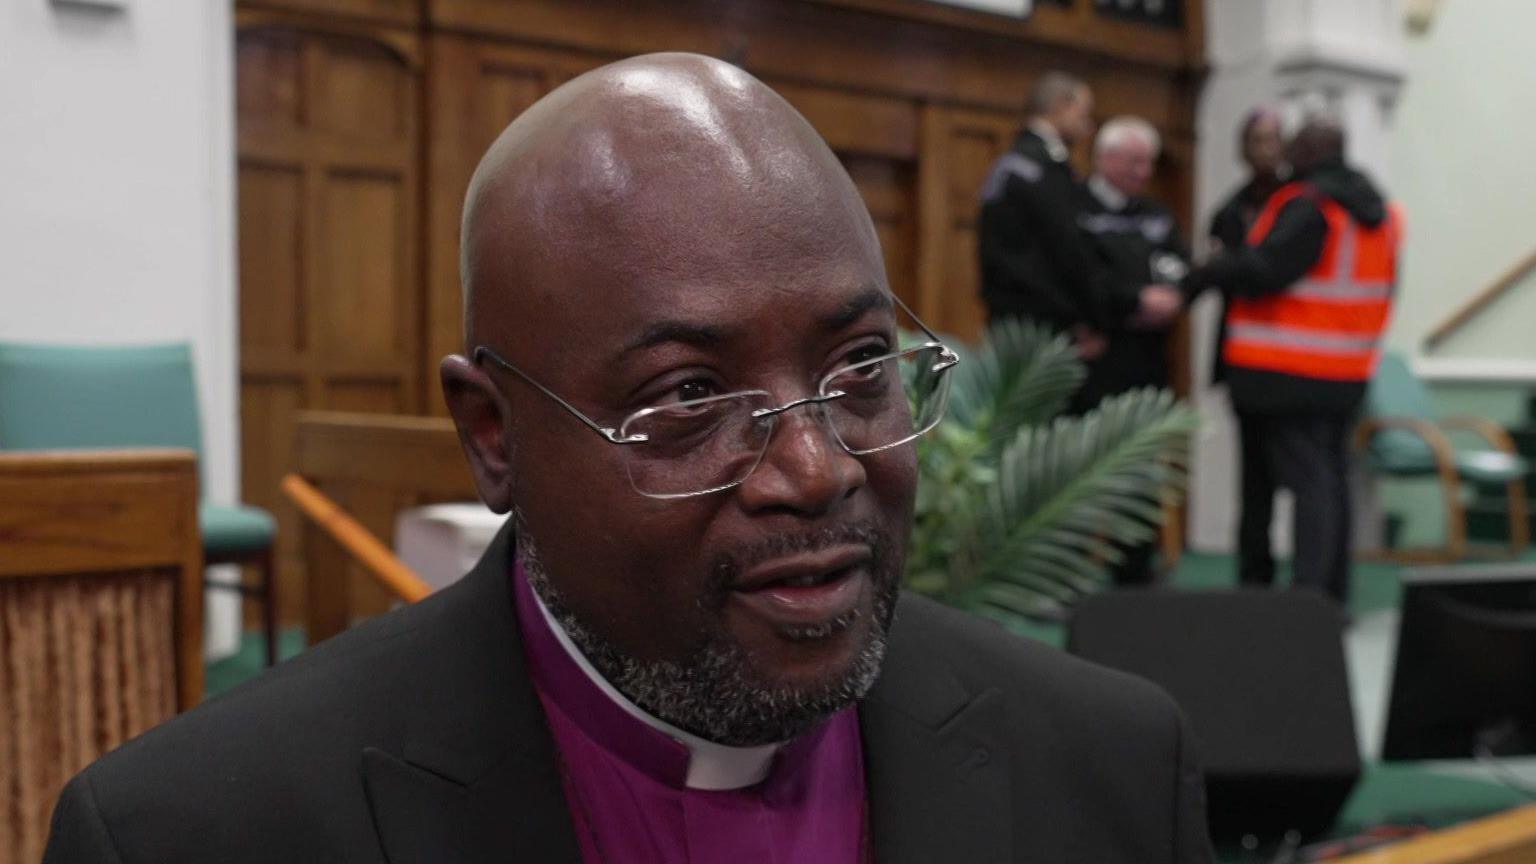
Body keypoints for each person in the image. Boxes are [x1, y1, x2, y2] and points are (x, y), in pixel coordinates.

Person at [45, 54, 1213, 864]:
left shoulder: (1112, 771)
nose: (813, 467)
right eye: (690, 397)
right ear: (493, 436)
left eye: (859, 367)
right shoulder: (191, 835)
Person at [1181, 117, 1399, 605]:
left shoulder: (1311, 204)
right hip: (1345, 370)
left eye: (1293, 144)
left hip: (1285, 371)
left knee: (1306, 489)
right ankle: (1329, 596)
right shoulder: (1377, 212)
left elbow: (1267, 269)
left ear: (1310, 151)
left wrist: (1215, 265)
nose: (1285, 154)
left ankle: (1305, 601)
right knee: (1330, 484)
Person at [979, 72, 1179, 362]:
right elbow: (1066, 251)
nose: (1087, 127)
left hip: (1010, 321)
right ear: (1061, 105)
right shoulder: (1044, 170)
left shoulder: (1011, 164)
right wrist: (1089, 321)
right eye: (1082, 113)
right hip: (1040, 329)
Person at [1074, 116, 1190, 584]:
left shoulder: (1157, 214)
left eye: (1149, 162)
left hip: (1146, 359)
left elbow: (1180, 267)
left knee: (1141, 464)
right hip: (1092, 360)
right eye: (1134, 160)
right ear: (1105, 158)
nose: (1144, 171)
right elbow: (1081, 277)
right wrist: (1131, 301)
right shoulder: (1074, 210)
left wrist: (1172, 297)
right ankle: (1074, 572)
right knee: (1082, 466)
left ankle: (1135, 571)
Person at [1204, 106, 1287, 386]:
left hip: (1287, 340)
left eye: (1271, 140)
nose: (1264, 149)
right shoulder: (1228, 211)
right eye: (1256, 141)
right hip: (1242, 343)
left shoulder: (1299, 206)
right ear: (1243, 149)